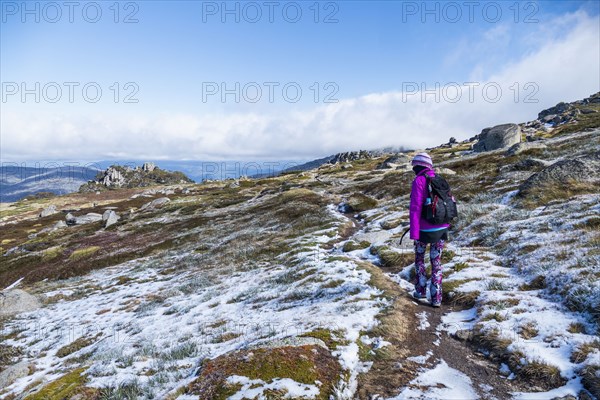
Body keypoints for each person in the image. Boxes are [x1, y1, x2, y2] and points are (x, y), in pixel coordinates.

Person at [409, 152, 450, 307]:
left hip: (424, 230)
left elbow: (415, 208)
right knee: (436, 261)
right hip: (441, 227)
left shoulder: (419, 180)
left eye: (414, 165)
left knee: (420, 258)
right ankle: (436, 297)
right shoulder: (439, 179)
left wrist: (414, 232)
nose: (413, 168)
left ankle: (420, 291)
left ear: (419, 166)